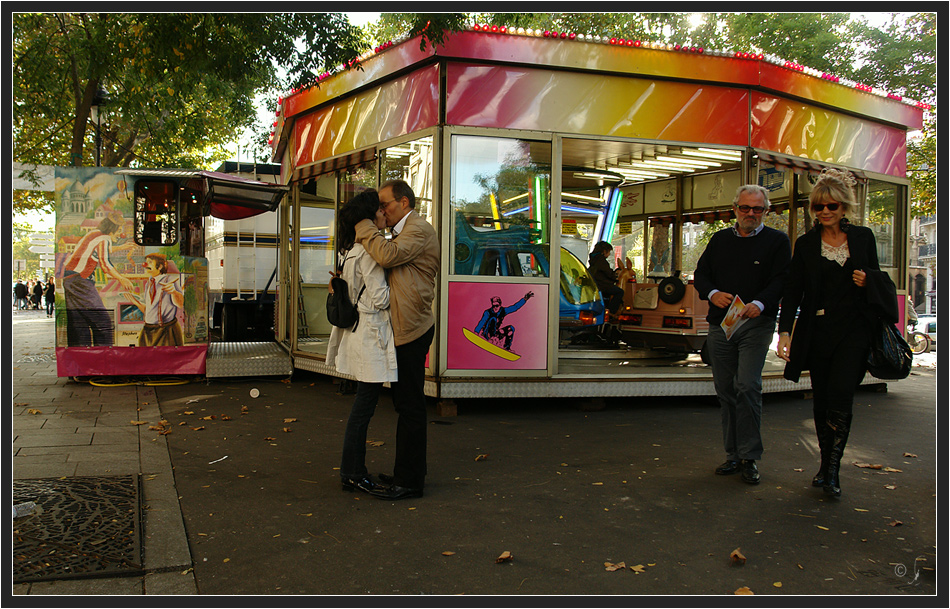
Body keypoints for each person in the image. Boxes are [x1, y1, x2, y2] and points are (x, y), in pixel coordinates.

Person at [776, 168, 889, 498]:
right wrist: (785, 332)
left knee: (841, 393)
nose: (826, 212)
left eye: (833, 206)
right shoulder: (807, 244)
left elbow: (879, 278)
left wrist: (868, 279)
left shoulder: (863, 237)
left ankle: (833, 470)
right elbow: (793, 290)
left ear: (845, 207)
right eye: (819, 207)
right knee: (822, 399)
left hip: (854, 331)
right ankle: (824, 465)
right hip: (818, 330)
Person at [694, 184, 791, 485]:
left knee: (747, 385)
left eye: (757, 209)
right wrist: (712, 293)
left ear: (767, 210)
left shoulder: (777, 241)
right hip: (721, 325)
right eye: (745, 208)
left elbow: (782, 280)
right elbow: (701, 275)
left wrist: (760, 304)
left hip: (756, 323)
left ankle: (750, 457)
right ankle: (733, 454)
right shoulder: (720, 240)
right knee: (726, 390)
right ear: (734, 209)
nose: (751, 214)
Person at [354, 179, 440, 500]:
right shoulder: (404, 231)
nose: (382, 211)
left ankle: (409, 482)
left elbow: (387, 256)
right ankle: (407, 473)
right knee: (406, 406)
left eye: (385, 205)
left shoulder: (418, 229)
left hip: (413, 330)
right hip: (404, 329)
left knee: (411, 407)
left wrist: (363, 225)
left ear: (404, 203)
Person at [325, 190, 397, 496]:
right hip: (370, 335)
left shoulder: (351, 249)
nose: (383, 212)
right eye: (378, 209)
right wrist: (407, 290)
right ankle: (353, 472)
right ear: (369, 216)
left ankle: (351, 471)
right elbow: (380, 297)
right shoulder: (369, 251)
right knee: (363, 409)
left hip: (360, 333)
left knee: (362, 408)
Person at [62, 210, 136, 346]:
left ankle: (81, 354)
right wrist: (122, 278)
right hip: (80, 280)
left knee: (79, 322)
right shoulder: (104, 238)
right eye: (119, 230)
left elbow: (98, 249)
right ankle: (104, 352)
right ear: (112, 229)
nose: (120, 233)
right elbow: (105, 264)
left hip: (69, 278)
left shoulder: (94, 234)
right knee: (103, 321)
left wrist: (121, 247)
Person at [127, 254, 185, 347]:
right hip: (148, 331)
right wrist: (135, 302)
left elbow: (180, 304)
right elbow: (150, 310)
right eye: (146, 262)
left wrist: (173, 292)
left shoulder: (170, 280)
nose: (145, 265)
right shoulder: (149, 283)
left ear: (160, 266)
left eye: (150, 262)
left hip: (166, 331)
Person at [588, 241, 624, 315]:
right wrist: (615, 277)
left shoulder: (593, 259)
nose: (609, 254)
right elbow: (608, 272)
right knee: (620, 292)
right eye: (609, 252)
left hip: (596, 284)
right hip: (603, 285)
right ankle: (611, 311)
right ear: (604, 251)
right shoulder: (601, 260)